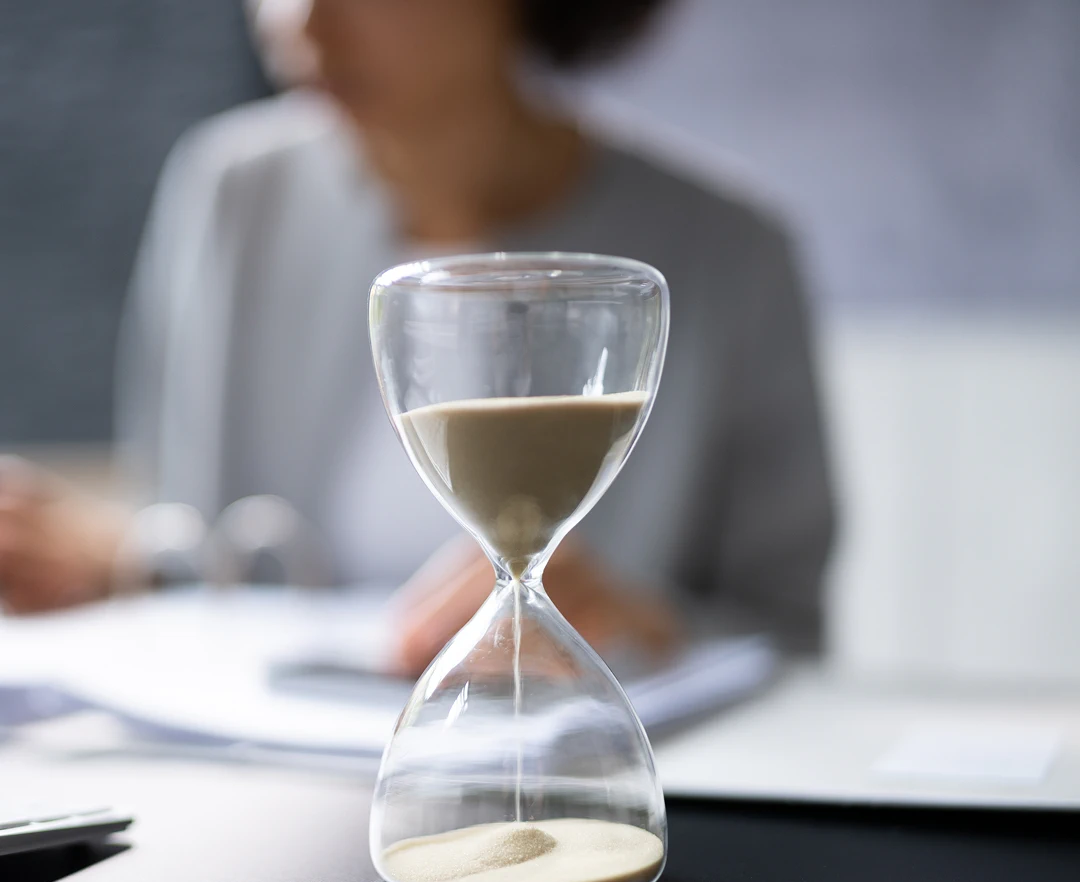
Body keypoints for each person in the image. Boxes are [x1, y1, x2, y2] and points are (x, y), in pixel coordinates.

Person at [0, 0, 835, 675]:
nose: (299, 21)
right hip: (277, 782)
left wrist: (651, 627)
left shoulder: (730, 256)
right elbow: (215, 558)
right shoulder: (234, 196)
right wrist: (127, 561)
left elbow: (791, 635)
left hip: (591, 764)